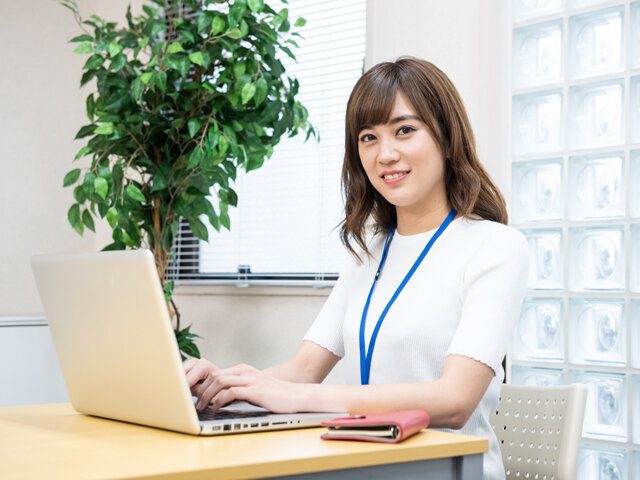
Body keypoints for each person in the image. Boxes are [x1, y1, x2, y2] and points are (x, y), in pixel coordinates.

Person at [184, 57, 528, 480]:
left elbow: (455, 400)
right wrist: (220, 385)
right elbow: (301, 371)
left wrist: (302, 398)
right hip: (362, 465)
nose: (385, 154)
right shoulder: (368, 255)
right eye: (369, 137)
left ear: (446, 136)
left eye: (405, 130)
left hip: (446, 470)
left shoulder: (495, 246)